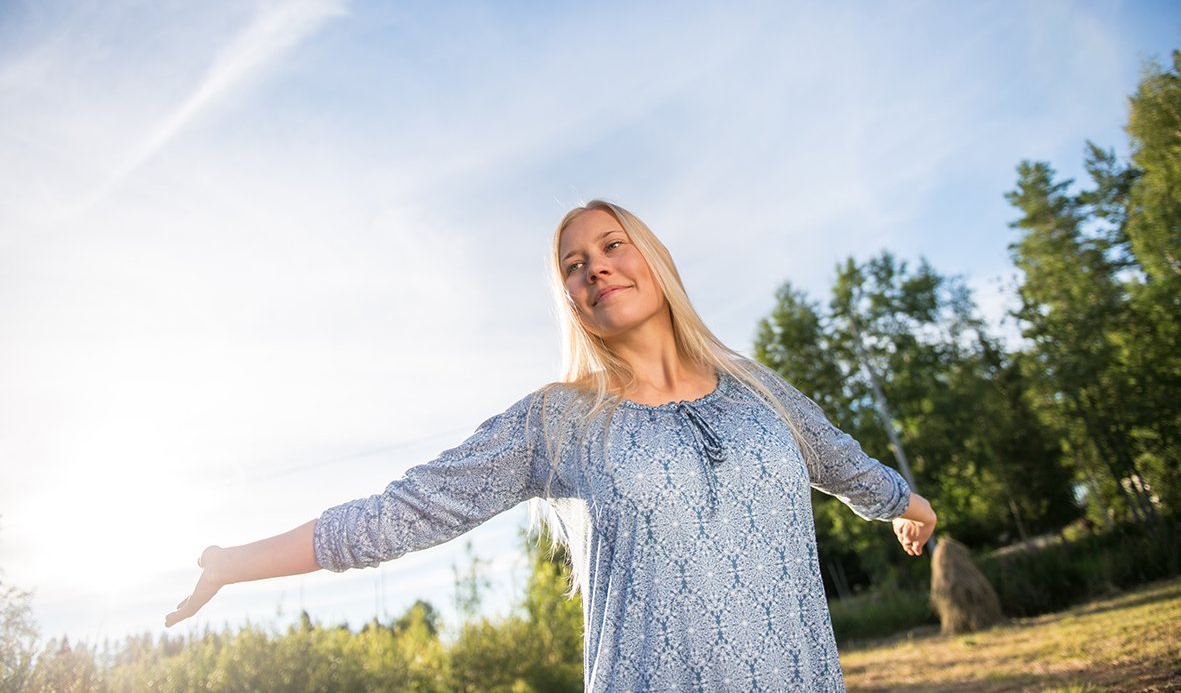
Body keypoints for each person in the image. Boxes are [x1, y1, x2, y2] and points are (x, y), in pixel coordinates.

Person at [166, 199, 936, 691]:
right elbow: (395, 516)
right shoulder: (554, 422)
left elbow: (837, 460)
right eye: (574, 266)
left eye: (611, 245)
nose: (594, 265)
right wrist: (235, 564)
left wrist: (905, 505)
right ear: (572, 300)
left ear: (654, 261)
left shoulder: (756, 389)